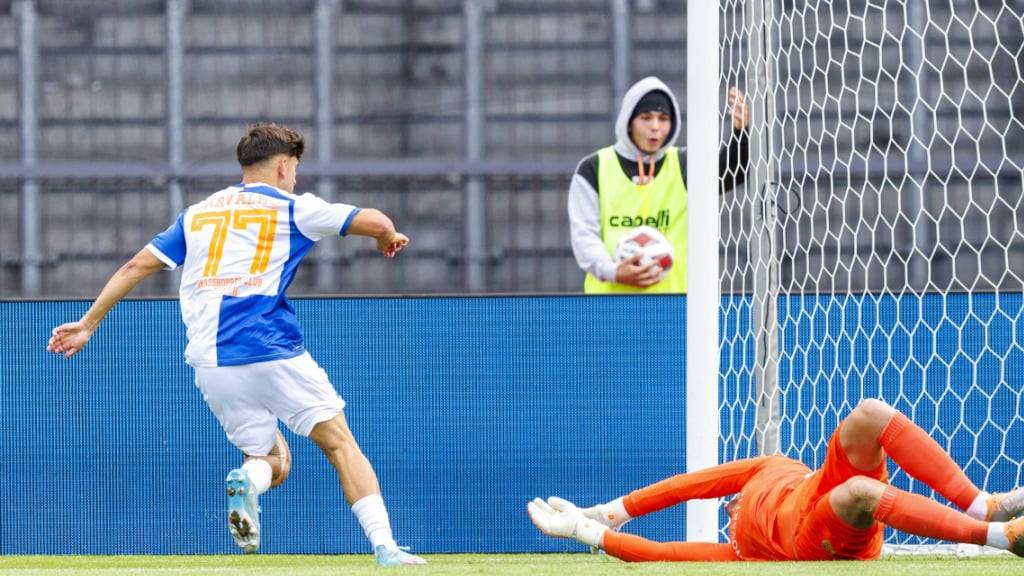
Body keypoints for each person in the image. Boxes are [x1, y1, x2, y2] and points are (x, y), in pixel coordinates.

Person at [46, 123, 426, 566]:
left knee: (271, 459)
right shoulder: (294, 208)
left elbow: (136, 265)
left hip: (210, 362)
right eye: (296, 169)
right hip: (269, 348)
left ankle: (248, 478)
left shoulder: (197, 214)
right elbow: (375, 220)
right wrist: (386, 236)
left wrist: (88, 324)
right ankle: (385, 547)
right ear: (284, 166)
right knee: (340, 444)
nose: (297, 178)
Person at [528, 399, 1024, 561]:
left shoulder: (770, 467)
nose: (724, 512)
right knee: (860, 494)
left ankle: (983, 504)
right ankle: (1000, 538)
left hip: (816, 483)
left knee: (871, 413)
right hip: (813, 535)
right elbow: (660, 555)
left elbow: (690, 484)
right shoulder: (741, 553)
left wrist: (607, 509)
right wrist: (587, 533)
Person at [569, 76, 750, 293]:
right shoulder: (594, 168)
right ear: (629, 121)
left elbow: (732, 173)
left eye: (663, 119)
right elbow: (584, 238)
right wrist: (614, 271)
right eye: (646, 118)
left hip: (673, 306)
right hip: (609, 307)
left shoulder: (684, 164)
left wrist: (741, 133)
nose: (655, 127)